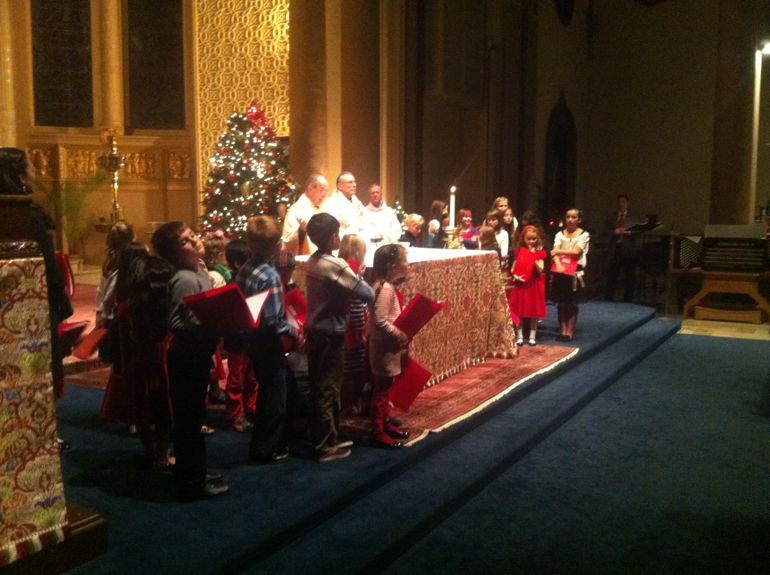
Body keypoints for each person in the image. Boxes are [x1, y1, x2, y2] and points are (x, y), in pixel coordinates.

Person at [151, 221, 227, 501]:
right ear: (172, 252)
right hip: (187, 355)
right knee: (188, 421)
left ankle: (195, 471)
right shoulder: (184, 278)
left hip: (197, 353)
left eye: (192, 235)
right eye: (185, 240)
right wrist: (210, 322)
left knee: (194, 417)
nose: (194, 241)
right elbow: (175, 322)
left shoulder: (196, 272)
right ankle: (191, 481)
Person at [0, 148, 73, 401]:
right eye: (30, 168)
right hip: (34, 305)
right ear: (20, 177)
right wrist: (59, 293)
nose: (34, 174)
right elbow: (47, 262)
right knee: (38, 364)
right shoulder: (27, 214)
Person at [304, 213, 375, 462]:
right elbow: (365, 292)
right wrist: (361, 276)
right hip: (329, 333)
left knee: (322, 385)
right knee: (328, 387)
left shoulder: (313, 261)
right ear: (334, 236)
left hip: (315, 331)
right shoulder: (335, 265)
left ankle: (330, 435)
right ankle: (324, 445)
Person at [237, 215, 300, 464]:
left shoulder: (245, 268)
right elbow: (274, 321)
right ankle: (267, 449)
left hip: (252, 337)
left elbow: (249, 308)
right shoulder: (270, 276)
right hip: (267, 342)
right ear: (276, 246)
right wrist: (296, 333)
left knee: (266, 391)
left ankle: (262, 444)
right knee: (275, 396)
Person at [368, 243, 411, 449]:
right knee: (382, 390)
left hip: (387, 346)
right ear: (392, 266)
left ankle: (385, 422)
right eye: (404, 260)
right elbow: (380, 320)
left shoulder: (386, 285)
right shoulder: (384, 288)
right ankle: (377, 430)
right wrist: (400, 334)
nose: (408, 263)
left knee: (386, 387)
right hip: (383, 347)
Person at [222, 238, 257, 431]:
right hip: (237, 339)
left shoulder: (249, 281)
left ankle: (251, 409)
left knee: (252, 376)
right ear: (238, 263)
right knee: (237, 378)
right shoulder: (234, 284)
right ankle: (235, 415)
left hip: (250, 336)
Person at [338, 234, 369, 417]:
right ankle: (347, 404)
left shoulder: (356, 274)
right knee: (349, 370)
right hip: (350, 327)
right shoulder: (346, 274)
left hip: (359, 326)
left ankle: (356, 401)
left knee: (358, 367)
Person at [95, 222, 135, 364]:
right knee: (120, 361)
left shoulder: (110, 261)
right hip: (116, 319)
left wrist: (99, 312)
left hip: (111, 317)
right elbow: (110, 293)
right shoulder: (126, 262)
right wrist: (104, 312)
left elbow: (101, 290)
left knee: (116, 362)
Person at [550, 208, 590, 342]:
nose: (570, 220)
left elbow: (577, 252)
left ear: (579, 219)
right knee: (561, 302)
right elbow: (554, 254)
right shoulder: (559, 234)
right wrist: (559, 263)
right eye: (568, 217)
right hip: (561, 270)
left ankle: (570, 331)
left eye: (573, 217)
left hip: (575, 271)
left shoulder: (584, 235)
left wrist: (560, 250)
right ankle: (562, 330)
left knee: (572, 302)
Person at [509, 226, 547, 346]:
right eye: (528, 239)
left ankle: (532, 335)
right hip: (521, 283)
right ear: (524, 239)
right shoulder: (520, 251)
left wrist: (532, 256)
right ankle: (519, 335)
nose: (531, 242)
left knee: (533, 310)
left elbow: (540, 269)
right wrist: (515, 274)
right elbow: (513, 268)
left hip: (533, 283)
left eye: (534, 239)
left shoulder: (540, 253)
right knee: (519, 308)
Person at [604, 194, 642, 302]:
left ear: (628, 203)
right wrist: (615, 231)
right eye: (619, 202)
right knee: (612, 274)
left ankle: (628, 299)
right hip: (614, 248)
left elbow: (639, 231)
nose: (621, 204)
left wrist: (628, 232)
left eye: (623, 202)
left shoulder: (633, 217)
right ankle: (608, 298)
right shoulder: (611, 216)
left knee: (629, 275)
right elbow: (605, 230)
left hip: (629, 249)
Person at [281, 173, 329, 255]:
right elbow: (288, 241)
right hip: (307, 259)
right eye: (321, 190)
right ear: (310, 190)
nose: (324, 194)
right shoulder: (296, 210)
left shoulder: (325, 207)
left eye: (326, 191)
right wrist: (302, 232)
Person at [321, 171, 366, 239]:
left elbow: (365, 219)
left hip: (359, 240)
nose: (354, 185)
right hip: (342, 242)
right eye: (350, 182)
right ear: (340, 186)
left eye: (354, 182)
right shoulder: (331, 203)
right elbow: (331, 228)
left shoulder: (356, 201)